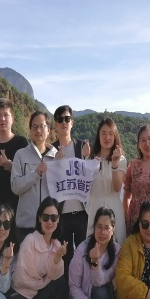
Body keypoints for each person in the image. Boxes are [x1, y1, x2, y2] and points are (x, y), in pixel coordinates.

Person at [7, 197, 70, 299]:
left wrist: (57, 258)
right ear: (39, 219)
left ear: (58, 219)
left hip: (35, 297)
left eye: (53, 218)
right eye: (45, 217)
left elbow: (55, 276)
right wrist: (44, 280)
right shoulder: (30, 241)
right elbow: (20, 280)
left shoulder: (56, 245)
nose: (49, 222)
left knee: (60, 281)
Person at [69, 207, 121, 299]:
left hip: (102, 298)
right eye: (99, 227)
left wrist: (96, 262)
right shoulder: (82, 249)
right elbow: (73, 286)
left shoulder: (116, 251)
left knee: (102, 290)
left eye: (106, 228)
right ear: (93, 227)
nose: (102, 232)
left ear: (113, 230)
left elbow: (100, 282)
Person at [52, 105, 90, 267]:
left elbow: (91, 175)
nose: (64, 122)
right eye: (60, 119)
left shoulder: (82, 147)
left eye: (67, 119)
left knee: (84, 256)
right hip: (62, 215)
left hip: (82, 212)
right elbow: (49, 182)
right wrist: (56, 163)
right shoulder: (51, 150)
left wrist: (87, 158)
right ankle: (66, 283)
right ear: (55, 123)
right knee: (65, 257)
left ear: (72, 123)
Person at [11, 111, 57, 244]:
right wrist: (35, 174)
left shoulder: (57, 157)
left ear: (48, 130)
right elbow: (15, 187)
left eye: (42, 126)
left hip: (49, 225)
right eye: (35, 127)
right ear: (30, 130)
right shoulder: (20, 155)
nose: (38, 130)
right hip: (26, 225)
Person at [0, 98, 28, 219]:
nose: (2, 119)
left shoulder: (21, 143)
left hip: (17, 208)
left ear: (12, 119)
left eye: (6, 115)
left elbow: (28, 174)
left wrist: (10, 166)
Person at [86, 117, 127, 244]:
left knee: (115, 248)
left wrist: (114, 165)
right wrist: (84, 159)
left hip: (113, 208)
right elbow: (84, 188)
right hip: (94, 208)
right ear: (98, 136)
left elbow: (117, 188)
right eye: (103, 133)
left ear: (115, 136)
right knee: (93, 248)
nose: (107, 137)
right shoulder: (90, 160)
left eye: (110, 133)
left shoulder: (121, 160)